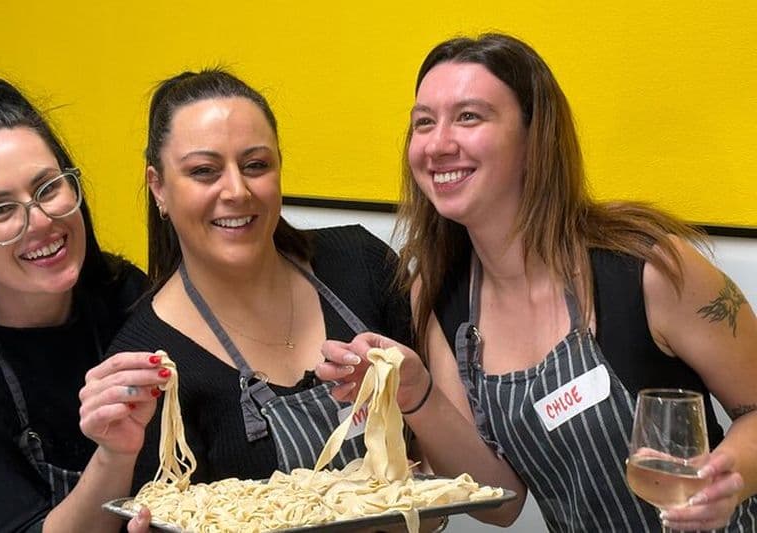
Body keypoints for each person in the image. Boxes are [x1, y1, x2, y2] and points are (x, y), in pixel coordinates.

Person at [317, 33, 757, 532]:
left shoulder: (646, 266)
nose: (438, 144)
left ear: (534, 138)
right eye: (424, 122)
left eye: (469, 116)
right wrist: (416, 393)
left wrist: (726, 481)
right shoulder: (440, 295)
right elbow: (499, 504)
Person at [78, 67, 412, 505]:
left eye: (256, 165)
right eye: (204, 171)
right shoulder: (150, 363)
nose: (236, 190)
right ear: (158, 188)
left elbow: (437, 460)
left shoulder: (361, 263)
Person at [0, 76, 154, 532]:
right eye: (0, 210)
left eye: (48, 188)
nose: (42, 220)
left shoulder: (128, 295)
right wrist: (115, 453)